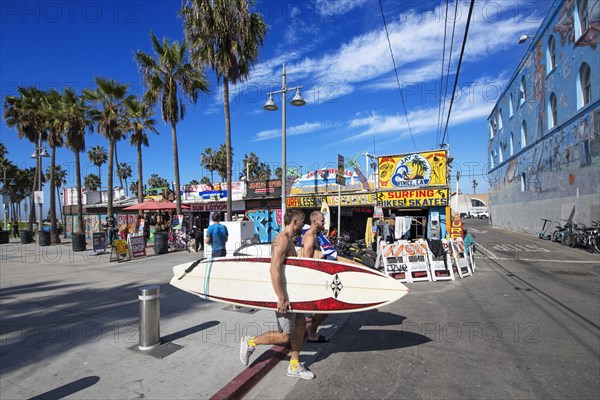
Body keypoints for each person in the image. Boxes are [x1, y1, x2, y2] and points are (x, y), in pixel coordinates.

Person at [239, 210, 315, 380]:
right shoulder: (281, 239)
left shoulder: (289, 240)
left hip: (295, 295)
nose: (304, 226)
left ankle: (294, 365)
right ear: (295, 222)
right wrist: (281, 297)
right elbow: (274, 268)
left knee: (301, 325)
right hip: (285, 295)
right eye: (302, 222)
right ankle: (250, 342)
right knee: (285, 335)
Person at [301, 211, 332, 344]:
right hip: (314, 278)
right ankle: (312, 333)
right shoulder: (310, 236)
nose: (324, 222)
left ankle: (310, 328)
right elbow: (306, 260)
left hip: (321, 276)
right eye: (322, 220)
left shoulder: (316, 234)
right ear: (314, 222)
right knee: (326, 307)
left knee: (326, 307)